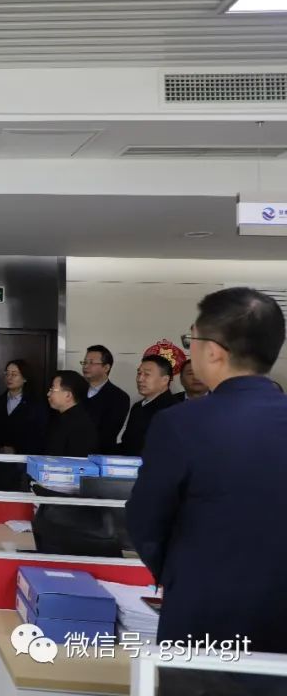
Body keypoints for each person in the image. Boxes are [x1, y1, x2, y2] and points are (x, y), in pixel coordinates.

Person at [127, 288, 287, 693]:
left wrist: (180, 574)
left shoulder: (181, 423)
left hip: (202, 621)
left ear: (213, 351)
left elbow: (145, 521)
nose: (190, 349)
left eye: (191, 339)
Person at [117, 355, 177, 456]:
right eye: (139, 373)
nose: (140, 379)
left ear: (165, 380)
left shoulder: (173, 409)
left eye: (147, 374)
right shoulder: (137, 407)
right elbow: (128, 443)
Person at [0, 359, 48, 456]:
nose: (9, 377)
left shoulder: (36, 404)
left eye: (14, 374)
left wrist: (17, 450)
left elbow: (39, 436)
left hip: (25, 458)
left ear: (24, 378)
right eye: (7, 374)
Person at [81, 345, 129, 454]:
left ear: (106, 368)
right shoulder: (76, 391)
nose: (86, 366)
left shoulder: (119, 397)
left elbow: (108, 434)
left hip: (99, 457)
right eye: (84, 362)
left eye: (91, 363)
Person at [45, 370, 97, 458]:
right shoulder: (61, 418)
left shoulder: (80, 425)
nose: (48, 394)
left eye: (52, 389)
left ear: (68, 395)